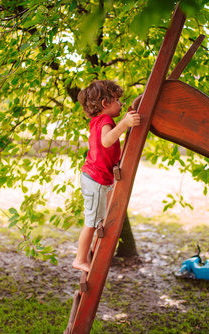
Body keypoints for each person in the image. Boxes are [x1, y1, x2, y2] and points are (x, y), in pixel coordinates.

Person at [72, 80, 141, 272]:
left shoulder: (97, 121)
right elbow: (107, 141)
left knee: (100, 217)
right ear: (105, 104)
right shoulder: (105, 122)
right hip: (95, 179)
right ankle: (80, 259)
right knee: (91, 222)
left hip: (97, 178)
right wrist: (124, 124)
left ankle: (86, 254)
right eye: (117, 100)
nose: (120, 103)